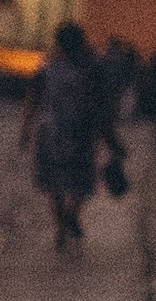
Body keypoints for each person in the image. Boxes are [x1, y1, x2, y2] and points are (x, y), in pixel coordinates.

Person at [22, 20, 104, 250]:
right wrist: (105, 135)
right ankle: (72, 213)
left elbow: (32, 100)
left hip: (50, 134)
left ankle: (60, 228)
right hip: (81, 133)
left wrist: (25, 130)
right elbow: (98, 105)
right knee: (82, 182)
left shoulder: (46, 69)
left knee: (54, 186)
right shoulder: (89, 70)